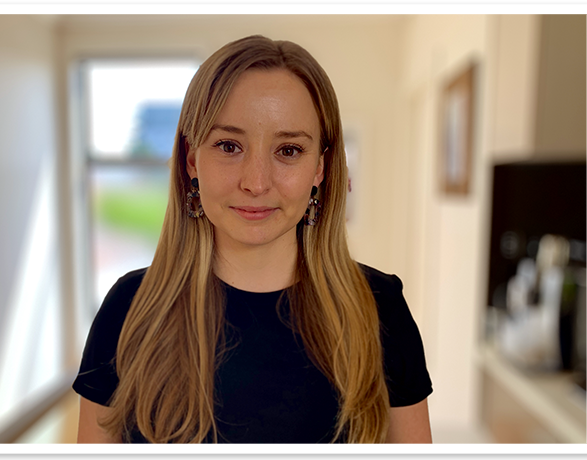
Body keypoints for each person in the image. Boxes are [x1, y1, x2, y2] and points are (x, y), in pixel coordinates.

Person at [73, 35, 433, 444]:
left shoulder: (379, 308)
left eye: (289, 150)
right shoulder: (130, 310)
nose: (256, 182)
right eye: (229, 145)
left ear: (320, 168)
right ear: (193, 161)